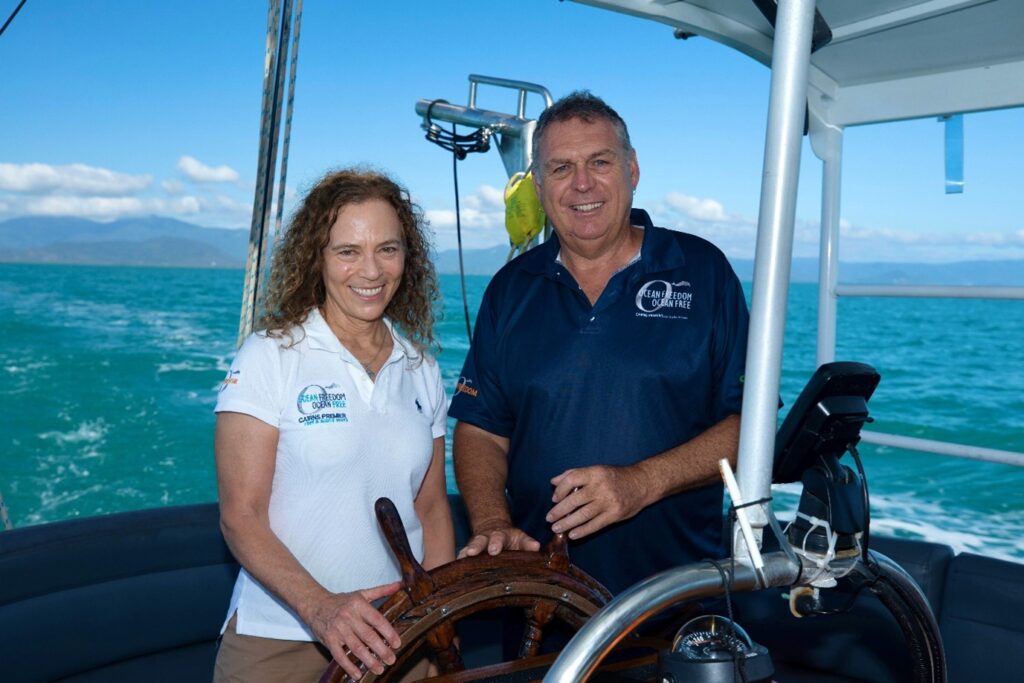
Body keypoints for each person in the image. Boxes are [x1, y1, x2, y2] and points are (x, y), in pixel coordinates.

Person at [449, 91, 749, 596]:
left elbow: (752, 426)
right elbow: (481, 430)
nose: (582, 184)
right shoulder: (510, 288)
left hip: (676, 595)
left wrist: (640, 482)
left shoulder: (703, 271)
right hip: (539, 601)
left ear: (631, 170)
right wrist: (491, 521)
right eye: (561, 168)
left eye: (600, 162)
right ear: (540, 187)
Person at [213, 169, 454, 682]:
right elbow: (241, 516)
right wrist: (322, 609)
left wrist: (440, 627)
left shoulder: (422, 369)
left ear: (406, 258)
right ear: (316, 259)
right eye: (348, 251)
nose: (371, 269)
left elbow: (430, 509)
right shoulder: (270, 356)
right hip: (279, 637)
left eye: (387, 249)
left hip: (397, 639)